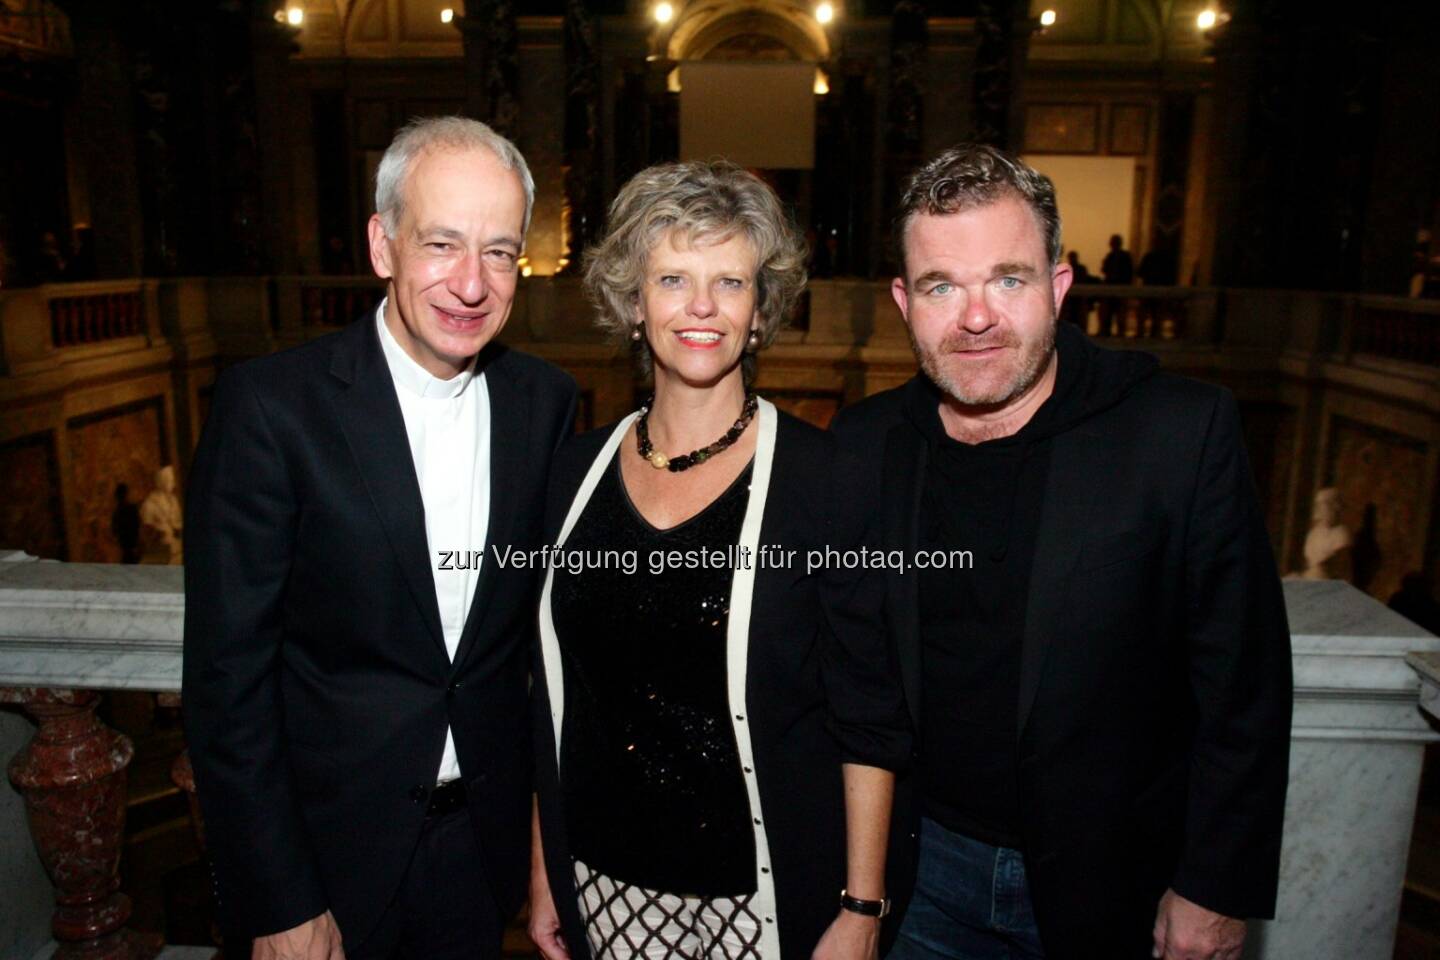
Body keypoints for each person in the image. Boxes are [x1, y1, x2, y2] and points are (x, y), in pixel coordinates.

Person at [830, 144, 1292, 960]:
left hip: (1120, 890)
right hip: (922, 882)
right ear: (905, 301)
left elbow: (1243, 688)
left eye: (1008, 278)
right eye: (943, 286)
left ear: (1058, 286)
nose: (977, 317)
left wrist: (1215, 888)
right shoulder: (867, 445)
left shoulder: (1177, 434)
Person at [183, 116, 577, 960]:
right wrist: (279, 899)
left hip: (481, 857)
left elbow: (535, 658)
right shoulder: (270, 407)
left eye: (500, 251)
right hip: (322, 864)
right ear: (382, 245)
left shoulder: (546, 403)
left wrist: (548, 857)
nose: (472, 284)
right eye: (442, 244)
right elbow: (227, 682)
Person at [528, 161, 910, 960]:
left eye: (730, 282)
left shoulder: (824, 479)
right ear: (634, 304)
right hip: (599, 885)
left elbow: (867, 713)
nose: (701, 306)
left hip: (765, 899)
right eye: (673, 278)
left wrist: (864, 907)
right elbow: (554, 699)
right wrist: (544, 869)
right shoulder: (572, 472)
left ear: (760, 312)